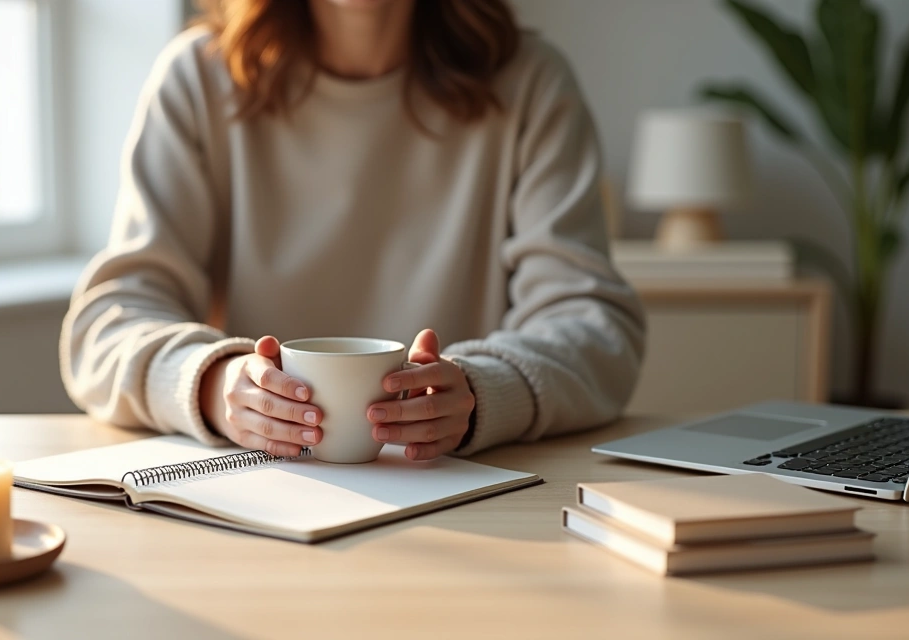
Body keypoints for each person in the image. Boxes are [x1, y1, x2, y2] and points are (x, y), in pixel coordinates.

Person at [61, 0, 645, 462]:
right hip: (264, 496)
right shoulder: (196, 79)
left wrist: (481, 391)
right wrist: (216, 387)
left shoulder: (531, 84)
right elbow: (105, 329)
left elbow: (595, 330)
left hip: (464, 488)